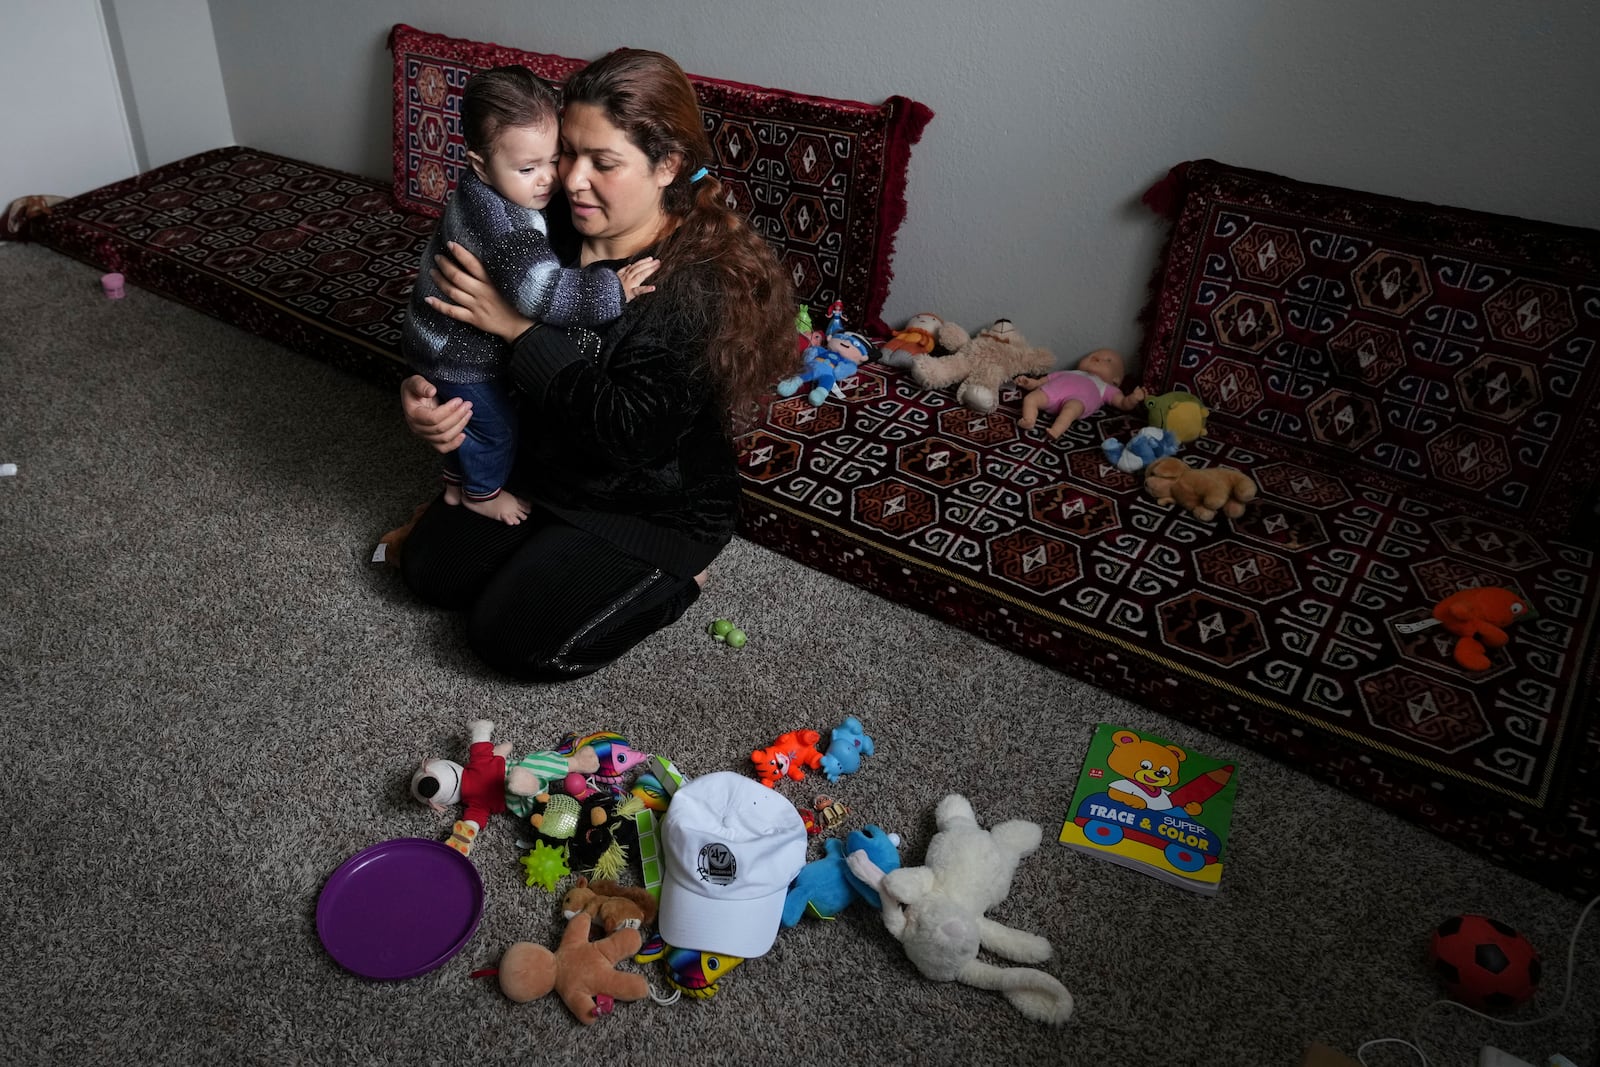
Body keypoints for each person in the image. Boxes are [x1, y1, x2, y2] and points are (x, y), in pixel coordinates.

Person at [395, 48, 798, 682]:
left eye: (602, 163)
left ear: (666, 166)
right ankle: (544, 548)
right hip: (545, 464)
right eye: (566, 153)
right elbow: (442, 317)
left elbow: (630, 434)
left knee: (509, 640)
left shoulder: (693, 286)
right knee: (429, 573)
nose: (571, 179)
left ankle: (680, 576)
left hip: (646, 499)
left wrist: (518, 330)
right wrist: (425, 393)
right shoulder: (533, 219)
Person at [402, 65, 661, 525]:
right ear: (480, 163)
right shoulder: (512, 225)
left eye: (552, 158)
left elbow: (629, 426)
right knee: (495, 431)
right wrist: (612, 290)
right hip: (457, 354)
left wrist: (504, 328)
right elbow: (539, 293)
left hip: (438, 343)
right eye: (530, 167)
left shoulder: (488, 192)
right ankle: (480, 491)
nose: (556, 179)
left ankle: (461, 483)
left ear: (667, 167)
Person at [1013, 348, 1148, 439]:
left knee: (1070, 410)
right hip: (1051, 392)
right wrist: (1030, 383)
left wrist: (1134, 398)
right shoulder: (1069, 372)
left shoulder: (1106, 387)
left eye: (1108, 361)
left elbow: (1123, 404)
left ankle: (1056, 430)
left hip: (1077, 400)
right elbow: (1042, 381)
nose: (1096, 358)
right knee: (1031, 398)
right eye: (1092, 356)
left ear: (1116, 381)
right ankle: (1029, 419)